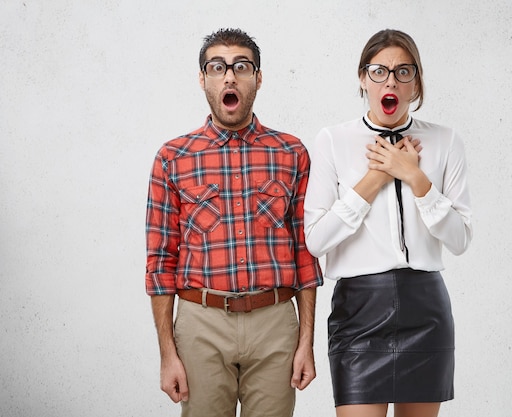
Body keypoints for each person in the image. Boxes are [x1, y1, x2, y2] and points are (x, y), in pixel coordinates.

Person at [145, 28, 323, 417]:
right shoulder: (172, 158)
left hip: (275, 323)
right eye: (217, 67)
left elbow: (306, 253)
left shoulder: (292, 153)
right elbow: (160, 262)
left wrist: (306, 340)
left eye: (241, 66)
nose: (229, 76)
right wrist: (167, 354)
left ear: (257, 78)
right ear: (202, 78)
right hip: (201, 325)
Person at [304, 29, 472, 417]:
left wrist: (415, 178)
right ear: (362, 79)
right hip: (359, 309)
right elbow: (316, 240)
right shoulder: (333, 140)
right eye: (379, 71)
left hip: (425, 308)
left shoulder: (445, 142)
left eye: (403, 71)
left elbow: (460, 239)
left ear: (416, 83)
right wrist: (376, 178)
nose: (390, 81)